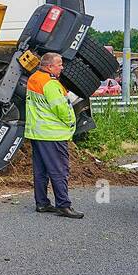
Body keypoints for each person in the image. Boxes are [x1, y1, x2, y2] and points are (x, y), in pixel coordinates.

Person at [24, 51, 83, 218]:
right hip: (53, 134)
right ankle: (64, 205)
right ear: (49, 66)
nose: (62, 67)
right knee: (59, 170)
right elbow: (61, 108)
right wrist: (72, 122)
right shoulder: (50, 83)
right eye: (60, 64)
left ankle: (42, 203)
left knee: (41, 170)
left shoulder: (34, 78)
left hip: (37, 132)